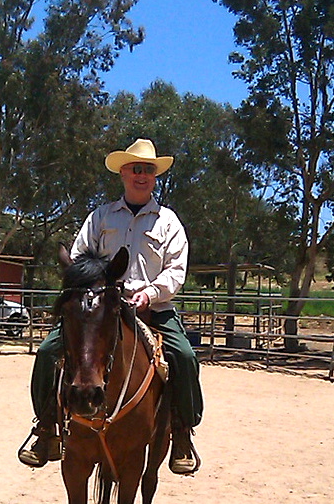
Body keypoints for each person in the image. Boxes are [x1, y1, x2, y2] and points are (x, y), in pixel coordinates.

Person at [18, 138, 203, 474]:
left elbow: (176, 270)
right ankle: (45, 428)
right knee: (47, 352)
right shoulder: (100, 217)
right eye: (135, 169)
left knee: (185, 357)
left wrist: (150, 293)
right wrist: (90, 289)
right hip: (100, 309)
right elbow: (77, 260)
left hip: (152, 309)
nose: (142, 175)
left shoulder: (168, 222)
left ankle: (181, 433)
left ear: (155, 176)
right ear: (123, 173)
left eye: (148, 170)